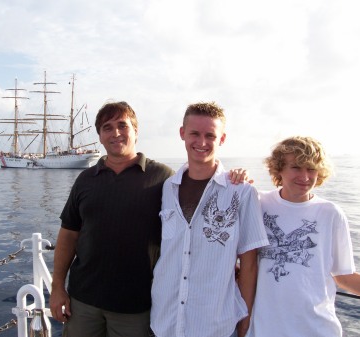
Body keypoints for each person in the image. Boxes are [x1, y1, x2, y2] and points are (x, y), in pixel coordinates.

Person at [49, 101, 174, 337]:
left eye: (122, 125)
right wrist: (58, 288)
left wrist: (234, 180)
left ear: (136, 131)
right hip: (83, 302)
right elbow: (68, 234)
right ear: (100, 136)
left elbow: (198, 203)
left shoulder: (163, 178)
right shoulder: (85, 180)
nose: (115, 133)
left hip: (136, 306)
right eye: (107, 127)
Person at [150, 102, 269, 337]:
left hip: (214, 324)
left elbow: (249, 262)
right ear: (182, 133)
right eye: (194, 133)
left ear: (222, 139)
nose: (201, 142)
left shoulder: (241, 192)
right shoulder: (167, 187)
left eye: (210, 135)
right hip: (164, 321)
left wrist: (245, 316)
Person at [246, 136, 360, 337]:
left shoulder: (331, 213)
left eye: (311, 169)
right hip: (265, 330)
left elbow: (344, 276)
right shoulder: (257, 203)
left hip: (318, 330)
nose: (305, 176)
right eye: (296, 167)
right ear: (279, 168)